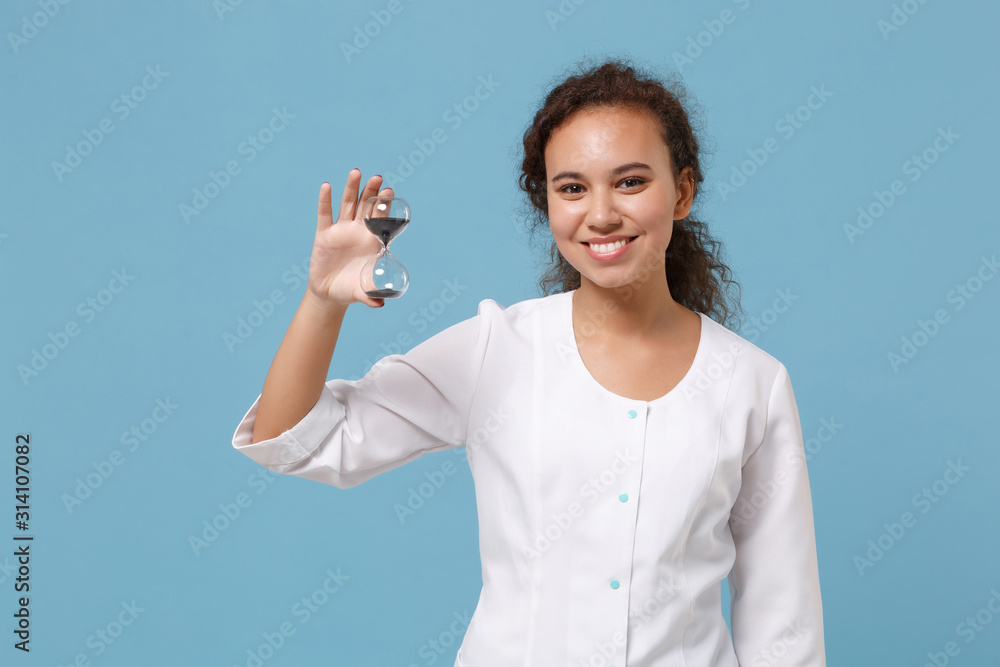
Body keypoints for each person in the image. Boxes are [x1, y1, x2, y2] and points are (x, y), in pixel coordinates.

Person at [232, 56, 826, 666]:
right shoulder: (499, 350)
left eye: (630, 182)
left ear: (682, 192)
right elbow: (295, 441)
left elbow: (784, 622)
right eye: (572, 188)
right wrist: (322, 302)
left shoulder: (752, 383)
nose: (601, 214)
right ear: (547, 204)